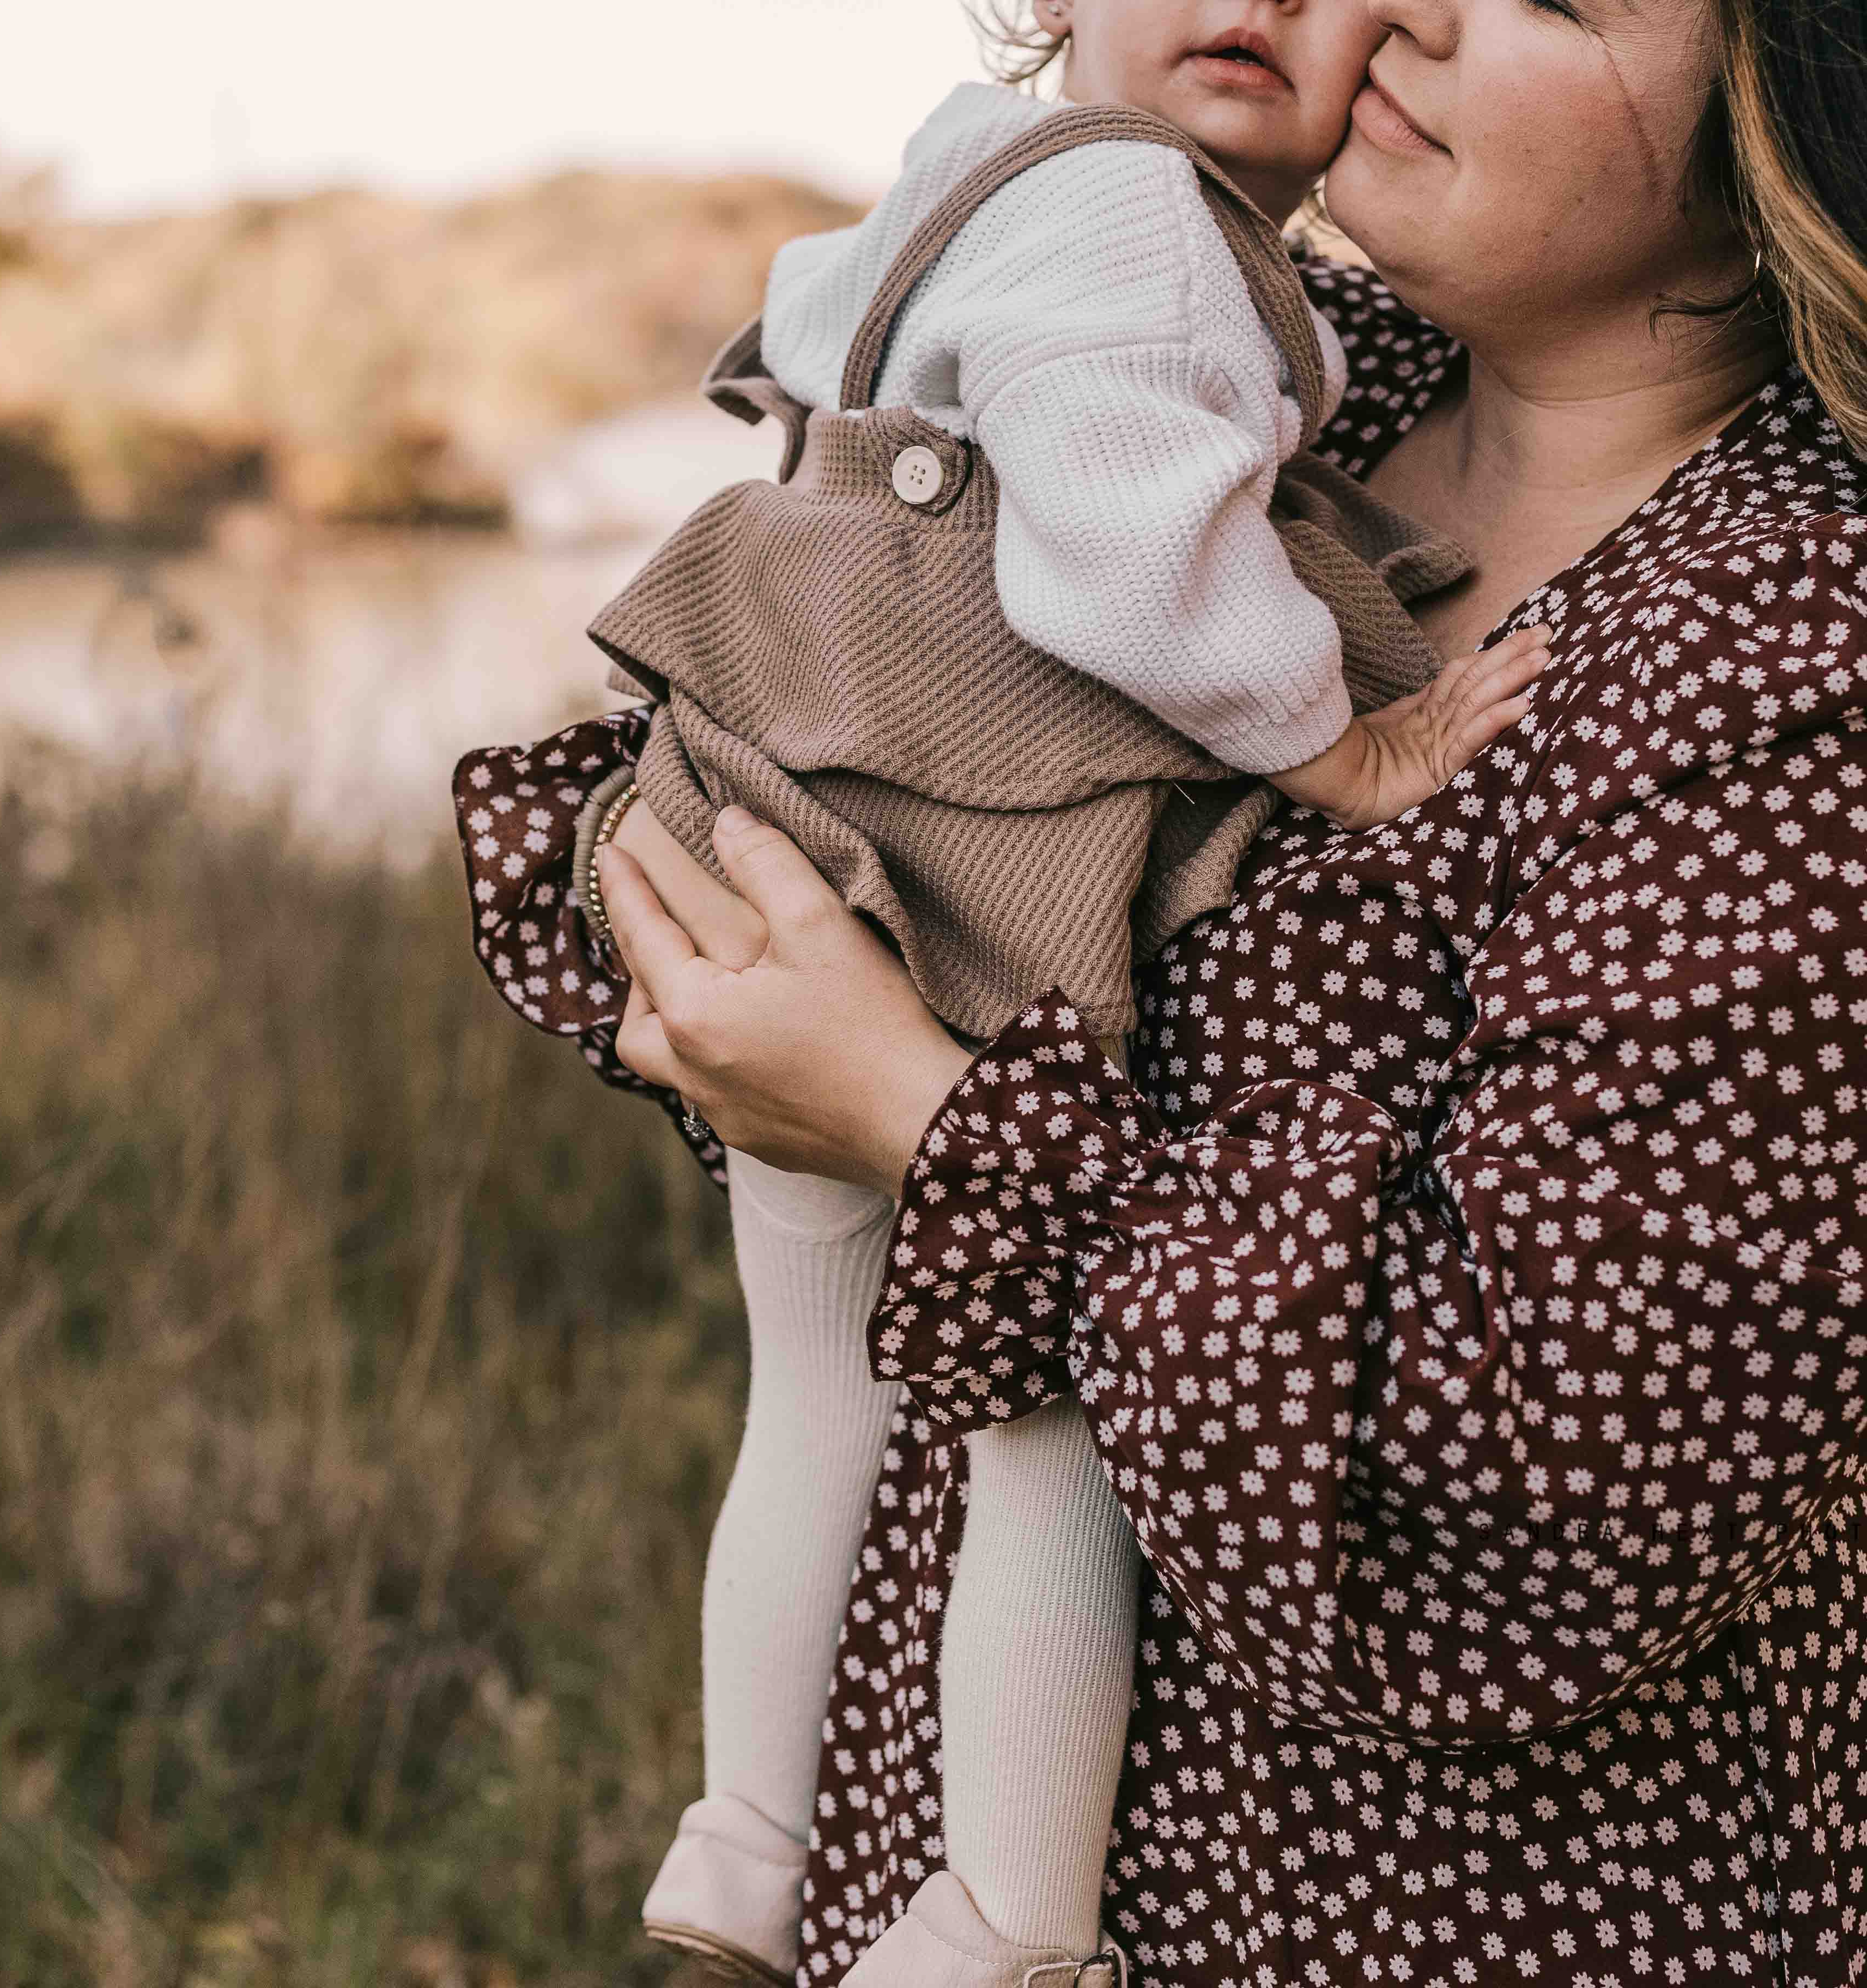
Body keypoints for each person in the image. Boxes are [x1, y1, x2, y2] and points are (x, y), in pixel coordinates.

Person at [458, 0, 1867, 1981]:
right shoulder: (1283, 402)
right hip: (963, 1830)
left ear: (1823, 123)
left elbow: (1536, 1498)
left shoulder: (1817, 702)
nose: (1406, 2)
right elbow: (888, 761)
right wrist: (748, 942)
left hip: (1448, 1908)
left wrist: (927, 1124)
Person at [532, 4, 1538, 1982]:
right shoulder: (1151, 231)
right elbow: (1128, 557)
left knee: (816, 1392)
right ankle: (1004, 1921)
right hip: (959, 853)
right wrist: (1338, 748)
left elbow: (815, 346)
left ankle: (745, 1833)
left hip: (771, 803)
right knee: (1045, 1419)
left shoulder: (962, 161)